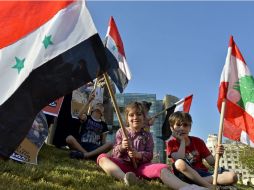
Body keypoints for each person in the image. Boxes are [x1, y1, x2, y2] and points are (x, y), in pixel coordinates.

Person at [97, 102, 206, 190]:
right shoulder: (121, 132)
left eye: (139, 114)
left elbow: (149, 155)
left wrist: (138, 154)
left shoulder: (148, 135)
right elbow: (115, 153)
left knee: (162, 168)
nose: (135, 117)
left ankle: (187, 187)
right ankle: (126, 178)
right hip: (123, 166)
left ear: (144, 118)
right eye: (131, 115)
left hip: (142, 167)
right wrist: (122, 147)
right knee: (101, 158)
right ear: (127, 119)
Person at [166, 111, 238, 189]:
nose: (182, 128)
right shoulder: (171, 143)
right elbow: (178, 158)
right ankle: (209, 186)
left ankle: (198, 182)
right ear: (172, 128)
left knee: (232, 176)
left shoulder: (198, 141)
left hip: (202, 173)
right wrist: (182, 141)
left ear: (190, 128)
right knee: (179, 163)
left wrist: (218, 154)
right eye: (178, 125)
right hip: (185, 174)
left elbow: (212, 162)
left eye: (185, 125)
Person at [65, 91, 113, 160]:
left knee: (110, 144)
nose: (100, 105)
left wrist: (103, 148)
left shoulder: (104, 124)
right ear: (92, 109)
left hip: (95, 148)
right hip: (82, 145)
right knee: (69, 138)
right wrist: (89, 101)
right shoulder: (87, 117)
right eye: (97, 105)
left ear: (103, 112)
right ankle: (88, 155)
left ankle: (85, 155)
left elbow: (103, 141)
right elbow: (79, 115)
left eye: (101, 106)